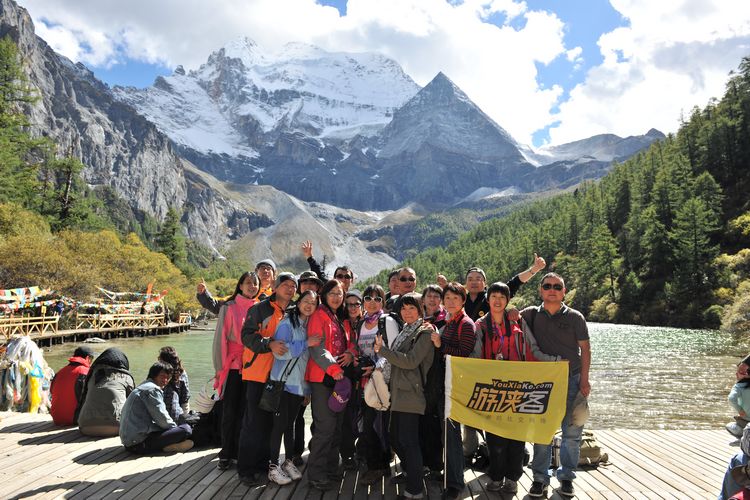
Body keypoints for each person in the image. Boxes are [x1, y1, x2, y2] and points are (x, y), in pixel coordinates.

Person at [475, 282, 558, 494]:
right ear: (488, 299)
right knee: (494, 437)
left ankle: (513, 478)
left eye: (502, 297)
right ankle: (496, 477)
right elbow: (474, 355)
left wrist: (554, 362)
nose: (497, 301)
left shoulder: (517, 321)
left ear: (508, 300)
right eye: (494, 296)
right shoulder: (481, 325)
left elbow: (532, 349)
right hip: (493, 388)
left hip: (519, 388)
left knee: (516, 436)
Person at [521, 272, 591, 498]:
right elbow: (503, 314)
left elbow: (585, 349)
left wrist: (584, 379)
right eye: (547, 286)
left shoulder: (575, 317)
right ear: (540, 290)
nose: (552, 290)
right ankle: (539, 479)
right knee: (542, 432)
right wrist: (512, 312)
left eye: (557, 287)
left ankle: (567, 478)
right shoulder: (530, 314)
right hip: (542, 383)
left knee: (572, 432)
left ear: (564, 291)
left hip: (572, 379)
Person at [237, 272, 298, 486]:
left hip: (279, 376)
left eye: (293, 286)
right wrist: (269, 344)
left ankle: (263, 464)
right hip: (257, 373)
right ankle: (246, 469)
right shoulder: (259, 309)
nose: (290, 289)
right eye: (286, 284)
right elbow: (246, 336)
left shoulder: (293, 311)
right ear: (275, 286)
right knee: (254, 423)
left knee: (270, 424)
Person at [374, 292, 435, 499]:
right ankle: (411, 473)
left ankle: (415, 490)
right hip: (399, 391)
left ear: (420, 310)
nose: (407, 312)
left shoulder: (424, 333)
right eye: (403, 308)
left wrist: (383, 351)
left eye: (412, 308)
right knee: (395, 437)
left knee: (409, 441)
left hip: (412, 393)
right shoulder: (407, 330)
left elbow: (410, 361)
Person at [305, 279, 356, 491]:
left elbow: (350, 341)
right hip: (323, 378)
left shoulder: (339, 317)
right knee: (325, 427)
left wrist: (351, 352)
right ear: (324, 295)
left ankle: (331, 469)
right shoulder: (318, 315)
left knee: (336, 427)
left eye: (340, 293)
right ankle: (316, 474)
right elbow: (317, 348)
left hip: (339, 380)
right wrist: (334, 369)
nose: (336, 297)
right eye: (332, 293)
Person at [266, 290, 320, 485]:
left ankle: (288, 462)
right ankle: (273, 467)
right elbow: (280, 352)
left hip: (298, 386)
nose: (309, 305)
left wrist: (307, 390)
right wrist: (306, 343)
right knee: (279, 426)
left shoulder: (308, 326)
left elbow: (306, 362)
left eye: (313, 303)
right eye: (306, 301)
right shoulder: (287, 324)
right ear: (298, 303)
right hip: (283, 383)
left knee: (290, 425)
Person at [432, 282, 476, 499]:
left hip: (455, 386)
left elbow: (464, 354)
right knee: (448, 434)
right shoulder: (450, 321)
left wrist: (440, 345)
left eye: (455, 298)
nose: (450, 302)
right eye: (447, 298)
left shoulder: (465, 324)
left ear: (463, 301)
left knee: (452, 435)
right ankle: (452, 476)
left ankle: (455, 484)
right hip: (446, 384)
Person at [212, 271, 260, 470]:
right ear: (240, 285)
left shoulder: (260, 307)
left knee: (246, 411)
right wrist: (219, 367)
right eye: (248, 282)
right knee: (230, 410)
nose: (252, 286)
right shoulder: (229, 307)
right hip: (232, 366)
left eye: (255, 283)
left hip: (253, 366)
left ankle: (240, 451)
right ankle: (225, 453)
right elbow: (220, 339)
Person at [357, 284, 400, 485]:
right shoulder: (361, 323)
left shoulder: (386, 322)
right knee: (367, 424)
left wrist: (376, 367)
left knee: (376, 425)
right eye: (368, 298)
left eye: (377, 298)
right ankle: (375, 463)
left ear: (383, 302)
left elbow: (394, 351)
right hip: (364, 381)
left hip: (382, 380)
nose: (372, 302)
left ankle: (378, 466)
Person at [119, 361, 193, 454]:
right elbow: (162, 419)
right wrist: (175, 431)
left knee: (181, 429)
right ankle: (169, 446)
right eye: (162, 376)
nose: (165, 380)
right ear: (154, 375)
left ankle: (168, 446)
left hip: (130, 442)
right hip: (138, 444)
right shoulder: (152, 390)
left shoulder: (144, 386)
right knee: (186, 429)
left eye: (168, 378)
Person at [463, 253, 546, 322]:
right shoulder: (459, 299)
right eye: (470, 279)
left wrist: (535, 269)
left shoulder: (492, 297)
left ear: (485, 283)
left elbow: (515, 282)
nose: (474, 282)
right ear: (466, 283)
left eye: (478, 279)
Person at [76, 347, 135, 437]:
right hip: (117, 427)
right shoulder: (126, 377)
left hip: (85, 427)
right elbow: (134, 403)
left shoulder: (92, 376)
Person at [340, 289, 363, 469]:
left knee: (361, 416)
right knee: (347, 416)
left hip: (364, 375)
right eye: (349, 304)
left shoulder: (367, 322)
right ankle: (347, 454)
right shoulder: (342, 323)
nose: (353, 307)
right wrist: (350, 352)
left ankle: (361, 452)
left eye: (356, 304)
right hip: (346, 374)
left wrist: (352, 352)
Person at [50, 346, 95, 426]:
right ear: (88, 358)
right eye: (91, 359)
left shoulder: (60, 372)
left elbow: (51, 391)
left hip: (56, 418)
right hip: (74, 419)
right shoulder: (85, 372)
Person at [158, 346, 190, 421]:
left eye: (159, 358)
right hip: (182, 409)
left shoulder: (161, 375)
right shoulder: (182, 372)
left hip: (166, 412)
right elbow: (185, 396)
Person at [727, 355, 750, 439]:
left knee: (729, 425)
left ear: (747, 374)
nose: (736, 374)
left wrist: (740, 410)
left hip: (747, 420)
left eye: (740, 372)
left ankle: (744, 433)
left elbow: (731, 399)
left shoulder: (739, 386)